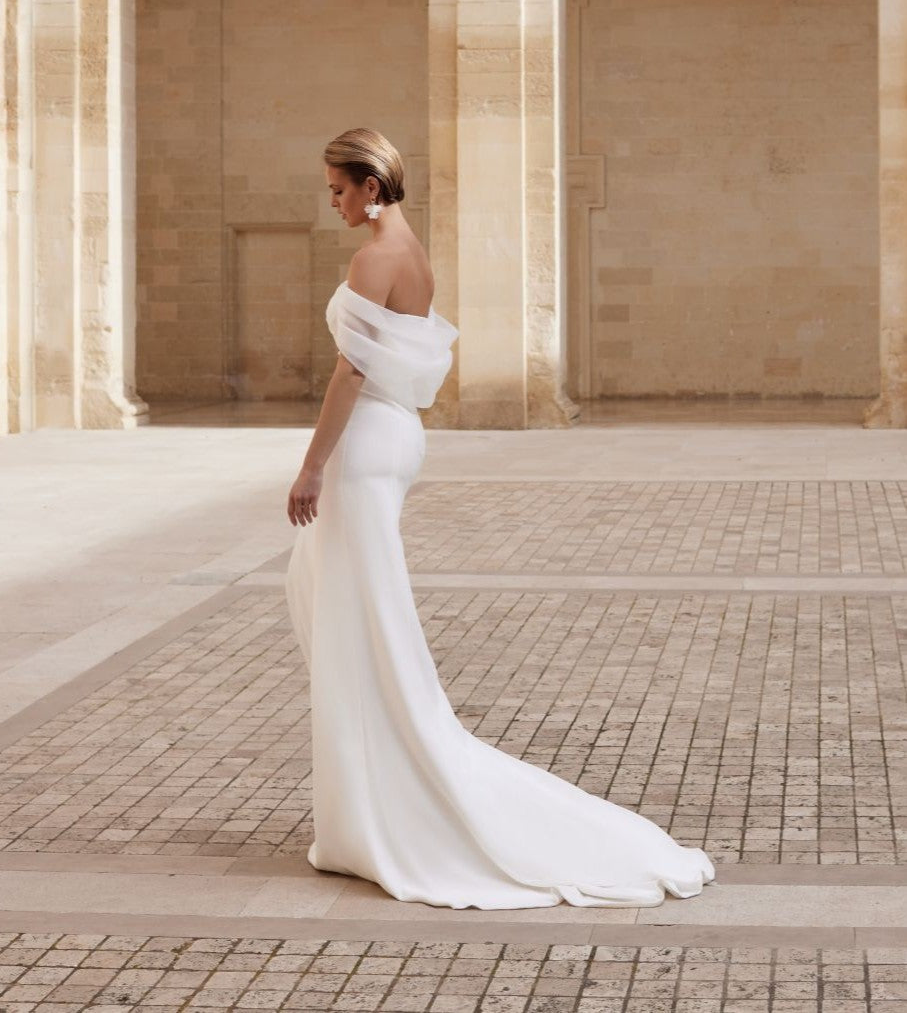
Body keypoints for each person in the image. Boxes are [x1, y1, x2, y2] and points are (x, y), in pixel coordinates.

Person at [284, 126, 717, 910]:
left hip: (364, 442)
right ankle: (367, 804)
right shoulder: (413, 254)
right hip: (397, 440)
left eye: (339, 190)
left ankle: (384, 808)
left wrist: (311, 465)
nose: (335, 203)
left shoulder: (372, 257)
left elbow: (350, 372)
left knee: (359, 618)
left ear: (372, 187)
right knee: (359, 614)